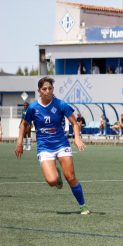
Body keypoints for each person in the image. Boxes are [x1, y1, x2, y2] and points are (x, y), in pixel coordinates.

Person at [15, 77, 89, 215]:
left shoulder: (61, 104)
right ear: (39, 91)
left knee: (71, 177)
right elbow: (24, 124)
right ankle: (57, 175)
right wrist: (19, 143)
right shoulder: (32, 108)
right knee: (52, 181)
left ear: (53, 89)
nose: (47, 91)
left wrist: (77, 139)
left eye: (50, 88)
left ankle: (83, 206)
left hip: (61, 144)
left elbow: (74, 123)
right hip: (44, 147)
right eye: (44, 89)